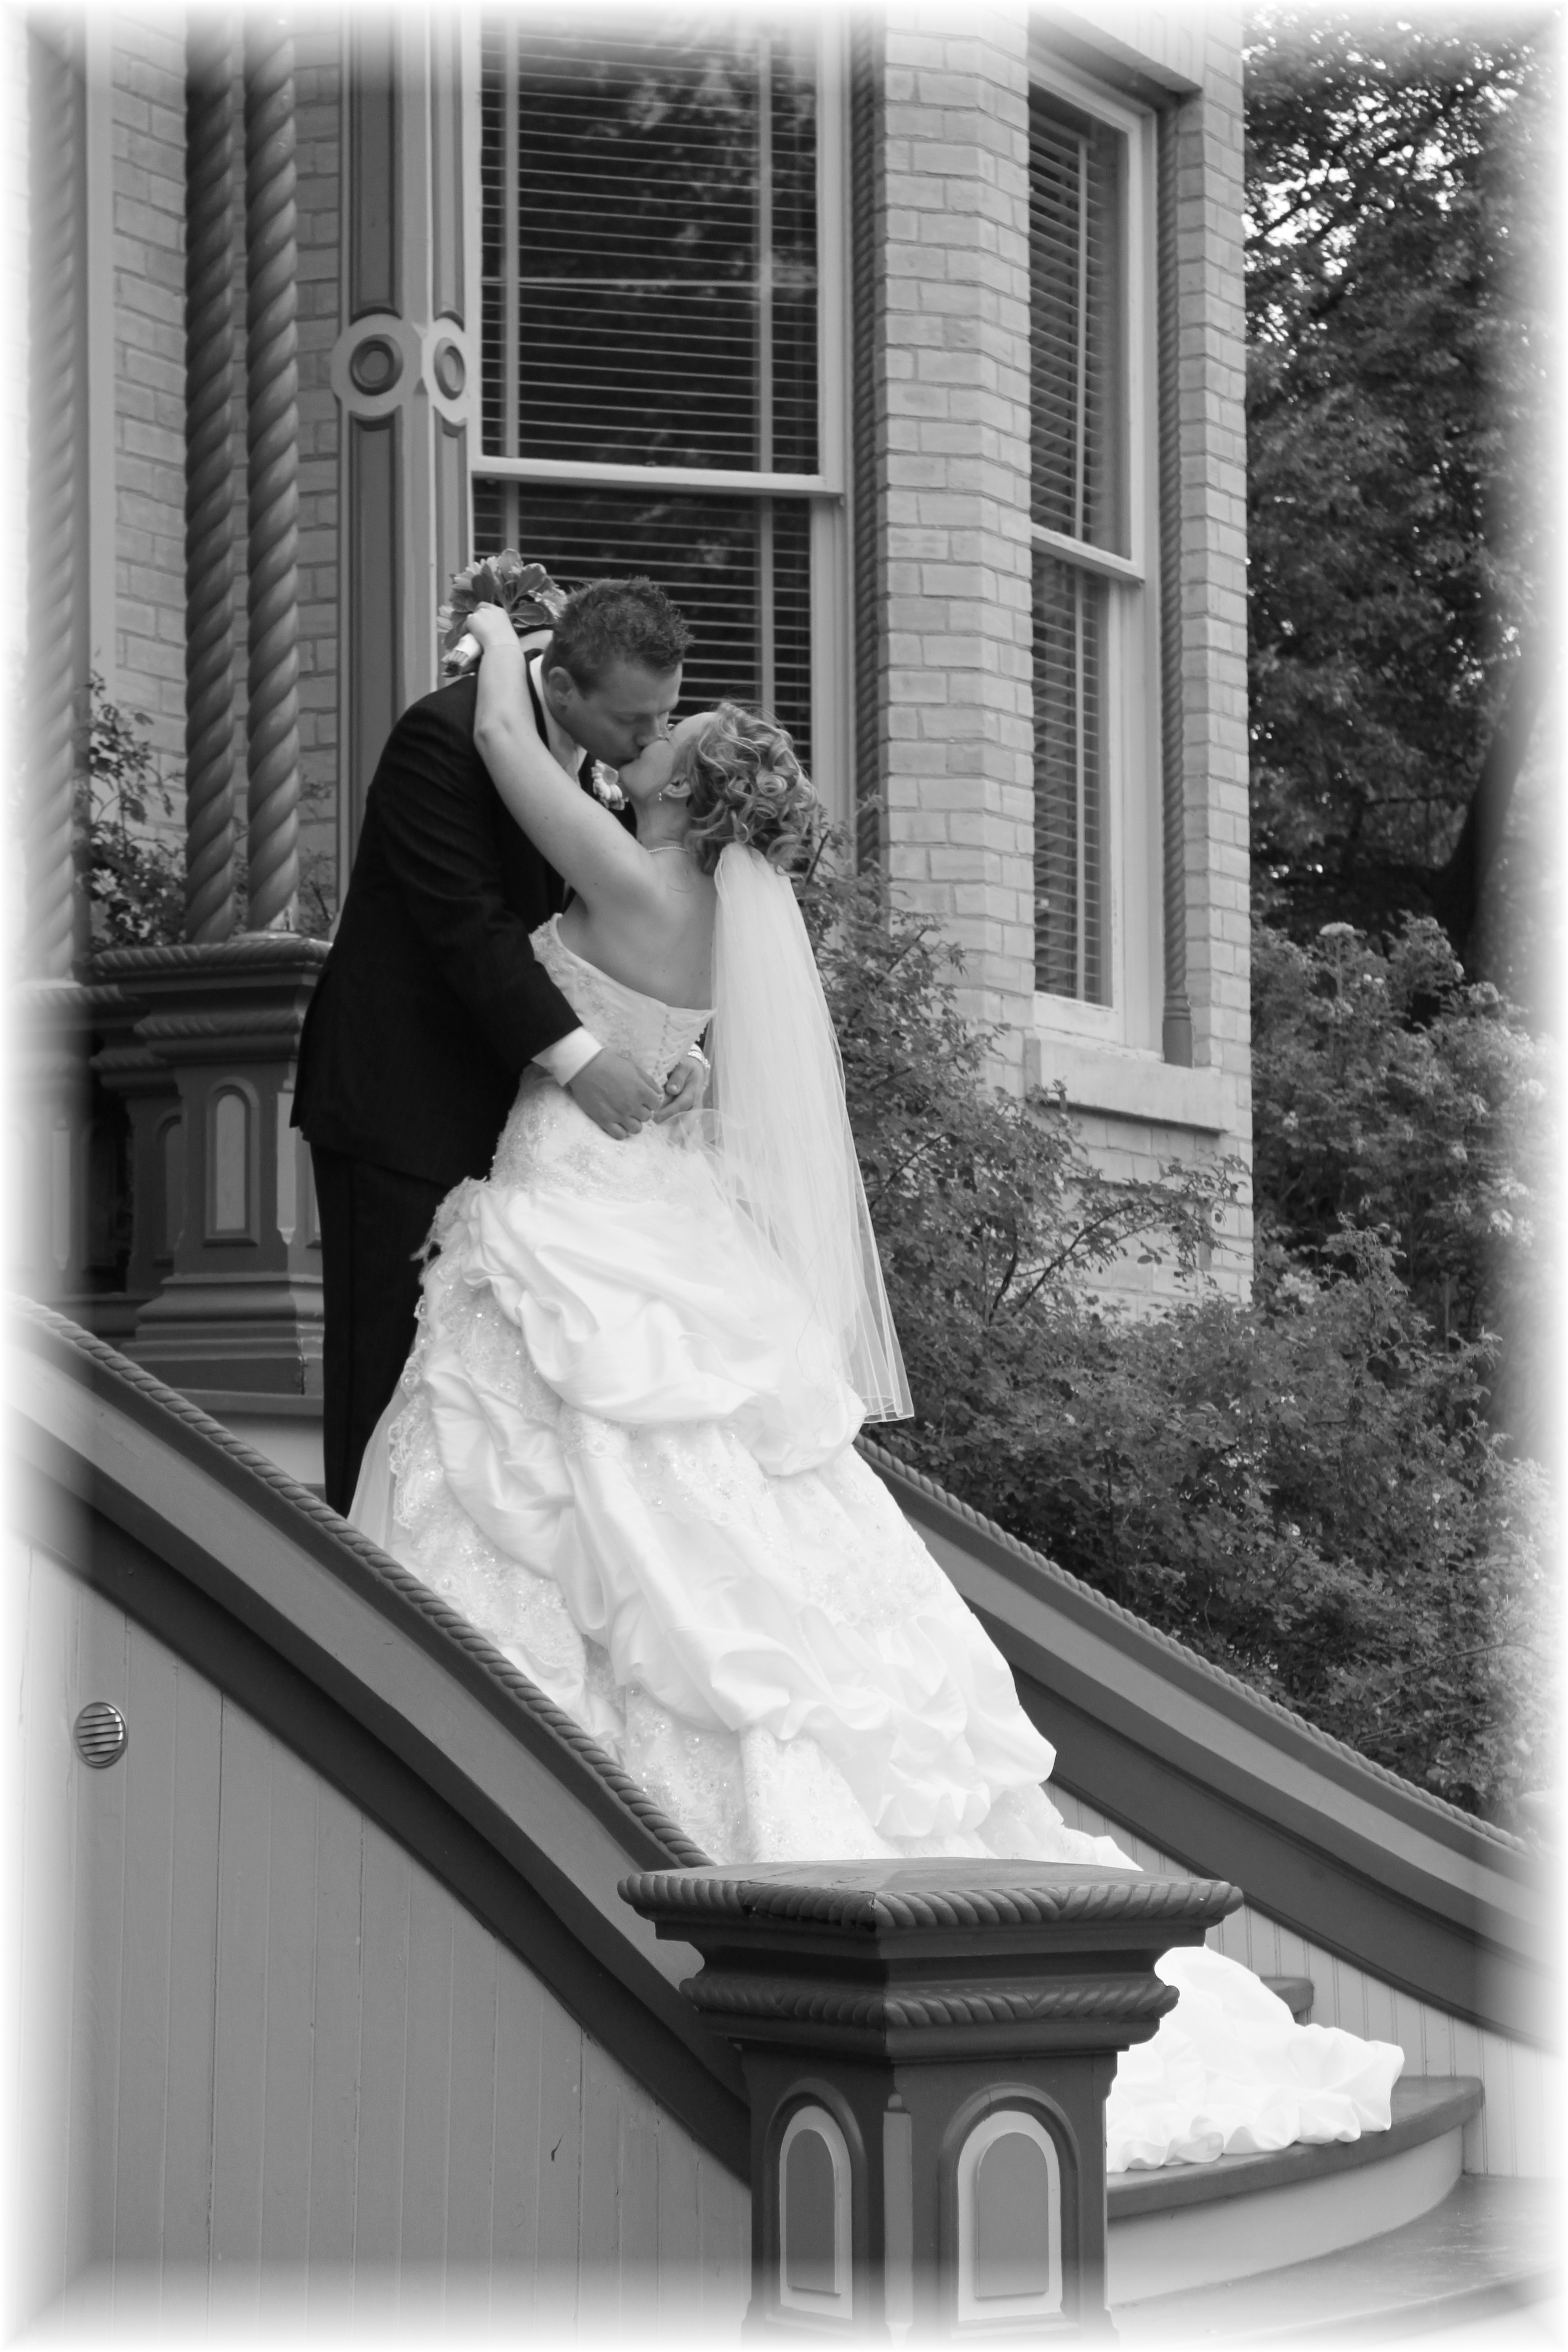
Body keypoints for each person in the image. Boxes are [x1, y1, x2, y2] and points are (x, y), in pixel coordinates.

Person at [350, 600, 1405, 2173]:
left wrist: (500, 624)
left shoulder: (623, 867)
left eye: (665, 745)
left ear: (690, 804)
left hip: (580, 1205)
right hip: (642, 1198)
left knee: (580, 1477)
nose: (641, 748)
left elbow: (505, 741)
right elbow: (646, 1015)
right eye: (640, 728)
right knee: (688, 1503)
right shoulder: (702, 907)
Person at [294, 577, 706, 1514]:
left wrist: (671, 1045)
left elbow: (589, 947)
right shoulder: (442, 737)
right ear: (560, 689)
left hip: (517, 1133)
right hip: (403, 1109)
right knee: (386, 1371)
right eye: (636, 720)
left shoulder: (592, 764)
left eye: (666, 716)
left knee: (474, 1391)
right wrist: (583, 1060)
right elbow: (467, 927)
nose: (653, 740)